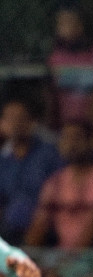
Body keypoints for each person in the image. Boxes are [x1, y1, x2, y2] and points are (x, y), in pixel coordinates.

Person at [27, 120, 93, 277]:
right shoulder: (56, 180)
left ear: (90, 142)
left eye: (76, 138)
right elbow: (39, 225)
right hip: (60, 254)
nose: (71, 144)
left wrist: (63, 266)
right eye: (66, 138)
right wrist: (25, 259)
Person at [0, 97, 62, 244]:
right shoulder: (3, 160)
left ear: (32, 122)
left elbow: (57, 195)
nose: (15, 123)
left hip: (46, 231)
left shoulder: (49, 154)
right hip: (9, 231)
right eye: (10, 118)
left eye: (20, 118)